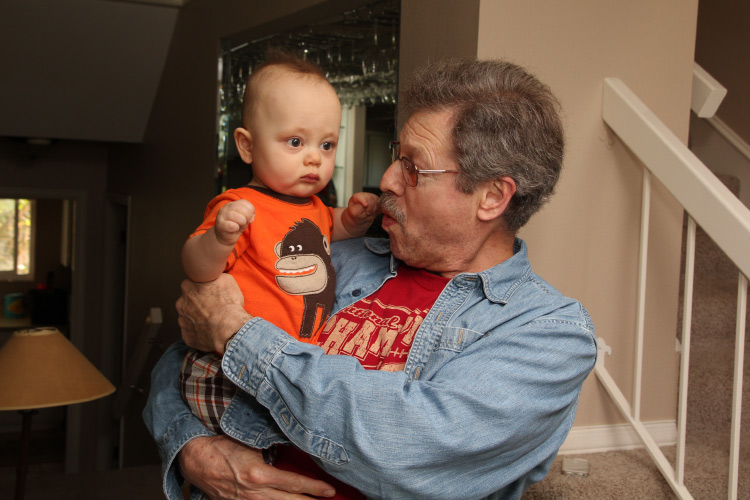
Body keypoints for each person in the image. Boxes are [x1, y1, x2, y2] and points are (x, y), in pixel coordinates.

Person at [144, 58, 597, 500]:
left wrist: (234, 331)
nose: (386, 180)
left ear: (492, 197)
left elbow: (405, 447)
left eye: (414, 168)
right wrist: (194, 450)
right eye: (398, 157)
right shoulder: (339, 256)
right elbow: (183, 354)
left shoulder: (549, 334)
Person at [180, 51, 380, 436]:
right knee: (261, 442)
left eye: (327, 145)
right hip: (227, 368)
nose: (314, 158)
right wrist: (219, 238)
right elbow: (197, 269)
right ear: (247, 146)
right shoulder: (240, 206)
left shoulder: (315, 207)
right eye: (295, 141)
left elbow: (332, 227)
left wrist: (353, 220)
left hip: (287, 366)